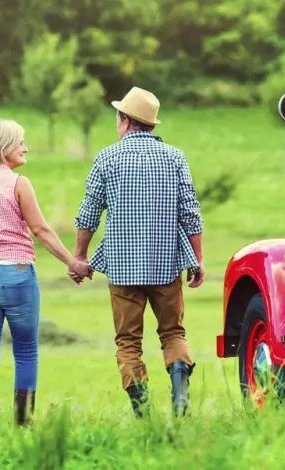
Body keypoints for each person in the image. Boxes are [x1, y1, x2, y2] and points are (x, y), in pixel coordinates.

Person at [72, 86, 204, 417]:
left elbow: (89, 213)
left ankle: (144, 415)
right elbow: (191, 213)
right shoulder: (175, 157)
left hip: (121, 269)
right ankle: (180, 399)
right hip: (166, 267)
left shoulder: (107, 158)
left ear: (125, 121)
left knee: (128, 343)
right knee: (173, 332)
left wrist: (80, 256)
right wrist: (197, 260)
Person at [0, 119, 90, 425]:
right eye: (21, 142)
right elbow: (41, 230)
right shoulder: (19, 184)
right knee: (27, 352)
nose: (26, 147)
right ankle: (23, 423)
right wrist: (73, 262)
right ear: (4, 149)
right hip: (16, 275)